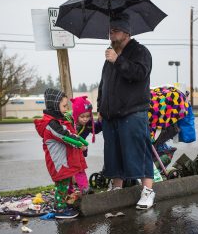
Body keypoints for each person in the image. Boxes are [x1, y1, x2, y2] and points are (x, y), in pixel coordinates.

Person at [97, 14, 155, 209]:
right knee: (114, 154)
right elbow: (103, 83)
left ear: (126, 32)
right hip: (111, 115)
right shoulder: (110, 55)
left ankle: (147, 192)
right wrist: (100, 107)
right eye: (109, 31)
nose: (110, 34)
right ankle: (117, 190)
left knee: (139, 151)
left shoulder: (140, 52)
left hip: (133, 112)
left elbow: (139, 74)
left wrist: (118, 60)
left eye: (115, 31)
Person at [34, 88, 88, 219]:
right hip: (58, 162)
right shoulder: (51, 124)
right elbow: (63, 135)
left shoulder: (58, 120)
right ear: (54, 105)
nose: (65, 109)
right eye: (64, 106)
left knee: (64, 183)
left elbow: (69, 133)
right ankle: (59, 208)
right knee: (62, 184)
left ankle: (62, 204)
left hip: (64, 160)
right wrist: (78, 143)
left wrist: (80, 141)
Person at [65, 96, 102, 194]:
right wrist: (78, 144)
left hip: (79, 149)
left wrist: (101, 121)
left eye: (88, 116)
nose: (85, 119)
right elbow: (65, 135)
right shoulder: (67, 121)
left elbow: (96, 129)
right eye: (82, 117)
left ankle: (84, 188)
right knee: (67, 171)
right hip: (66, 150)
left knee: (79, 167)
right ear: (76, 114)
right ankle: (68, 191)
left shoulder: (88, 122)